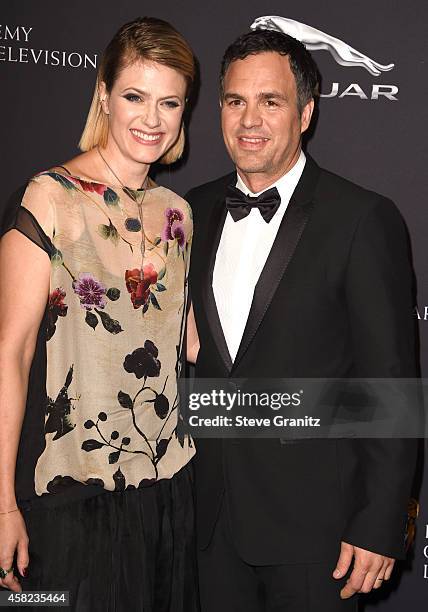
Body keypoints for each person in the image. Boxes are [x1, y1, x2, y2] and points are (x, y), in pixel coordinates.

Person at [186, 29, 418, 611]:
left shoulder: (362, 218)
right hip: (208, 523)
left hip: (320, 532)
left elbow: (388, 382)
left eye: (272, 101)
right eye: (236, 101)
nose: (250, 120)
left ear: (307, 112)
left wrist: (378, 521)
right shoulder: (191, 210)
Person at [0, 16, 199, 611]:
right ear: (103, 96)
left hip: (167, 489)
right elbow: (12, 352)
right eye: (135, 96)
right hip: (71, 491)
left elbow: (181, 344)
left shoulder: (178, 215)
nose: (151, 119)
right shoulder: (50, 198)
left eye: (170, 102)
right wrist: (2, 502)